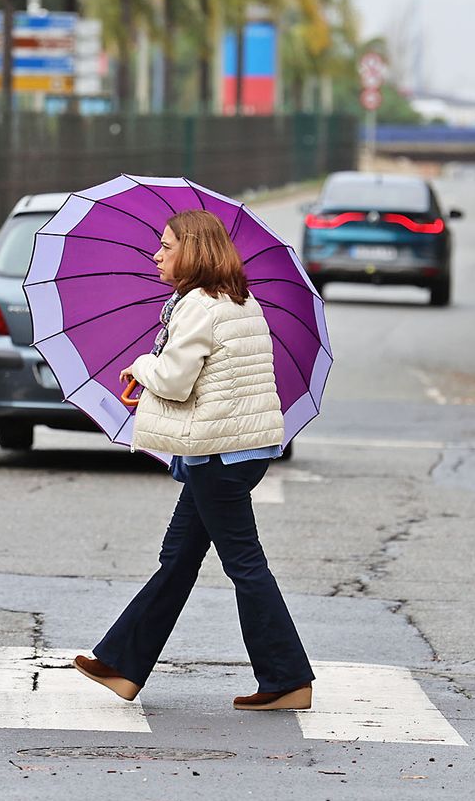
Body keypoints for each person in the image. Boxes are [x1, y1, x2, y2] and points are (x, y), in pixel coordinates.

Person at [73, 208, 316, 711]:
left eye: (165, 246)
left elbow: (175, 380)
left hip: (220, 455)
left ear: (193, 252)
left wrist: (142, 365)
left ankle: (287, 678)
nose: (156, 255)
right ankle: (122, 665)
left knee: (244, 564)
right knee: (178, 559)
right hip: (234, 448)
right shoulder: (237, 300)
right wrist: (156, 386)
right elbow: (208, 384)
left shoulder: (198, 306)